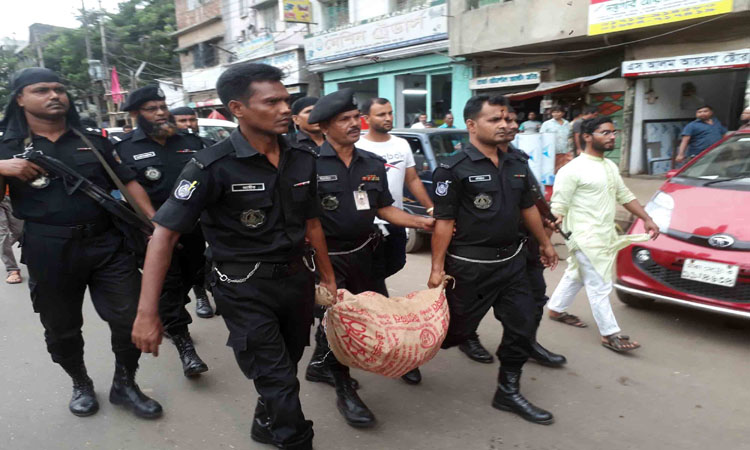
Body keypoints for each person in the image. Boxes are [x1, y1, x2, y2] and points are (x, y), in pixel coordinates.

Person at [131, 63, 335, 450]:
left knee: (288, 361)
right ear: (237, 108)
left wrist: (328, 277)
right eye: (271, 101)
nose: (284, 109)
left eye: (287, 100)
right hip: (243, 286)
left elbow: (312, 223)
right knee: (279, 378)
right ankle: (295, 439)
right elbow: (163, 235)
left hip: (295, 280)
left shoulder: (302, 156)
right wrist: (147, 312)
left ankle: (264, 421)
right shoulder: (210, 165)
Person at [0, 68, 162, 418]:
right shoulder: (7, 147)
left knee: (130, 318)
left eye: (59, 88)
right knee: (61, 329)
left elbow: (129, 182)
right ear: (20, 99)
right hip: (48, 246)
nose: (54, 95)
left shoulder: (93, 139)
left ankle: (125, 383)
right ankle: (80, 382)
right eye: (42, 90)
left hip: (107, 242)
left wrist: (153, 226)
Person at [307, 88, 434, 428]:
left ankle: (321, 364)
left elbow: (384, 207)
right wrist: (322, 272)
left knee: (374, 314)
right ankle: (344, 387)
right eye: (343, 120)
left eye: (354, 118)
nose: (353, 124)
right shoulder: (307, 165)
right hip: (326, 259)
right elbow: (304, 222)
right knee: (340, 322)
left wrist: (422, 221)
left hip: (365, 254)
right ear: (324, 127)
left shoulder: (372, 164)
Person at [429, 94, 559, 425]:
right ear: (471, 125)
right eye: (495, 120)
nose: (505, 125)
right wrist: (436, 269)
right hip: (469, 268)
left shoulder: (516, 162)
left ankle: (508, 390)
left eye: (508, 119)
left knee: (523, 323)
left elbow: (527, 207)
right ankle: (408, 356)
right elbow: (443, 221)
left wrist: (544, 243)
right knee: (453, 332)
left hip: (512, 262)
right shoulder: (453, 168)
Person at [115, 85, 209, 377]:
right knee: (168, 286)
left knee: (194, 278)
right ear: (135, 114)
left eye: (163, 106)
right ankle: (184, 344)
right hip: (155, 233)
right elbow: (128, 194)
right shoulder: (124, 149)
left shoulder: (192, 143)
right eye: (151, 109)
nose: (160, 113)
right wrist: (152, 225)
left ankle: (172, 315)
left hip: (196, 231)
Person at [547, 117, 660, 353]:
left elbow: (624, 194)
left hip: (604, 235)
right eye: (605, 132)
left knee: (576, 274)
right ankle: (610, 334)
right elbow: (557, 209)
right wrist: (544, 243)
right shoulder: (572, 170)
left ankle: (556, 309)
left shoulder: (609, 166)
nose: (612, 137)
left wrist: (647, 218)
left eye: (613, 132)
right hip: (585, 237)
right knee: (600, 284)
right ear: (587, 137)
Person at [357, 97, 435, 384]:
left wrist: (429, 208)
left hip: (397, 221)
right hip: (367, 227)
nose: (388, 118)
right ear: (367, 117)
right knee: (376, 287)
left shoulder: (401, 145)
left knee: (395, 263)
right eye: (381, 114)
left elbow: (412, 179)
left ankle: (366, 301)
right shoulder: (359, 147)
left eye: (390, 113)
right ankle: (394, 351)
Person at [169, 105, 214, 319]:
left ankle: (202, 295)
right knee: (176, 269)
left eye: (191, 120)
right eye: (182, 121)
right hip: (175, 215)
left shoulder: (207, 145)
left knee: (201, 260)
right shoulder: (167, 148)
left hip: (205, 217)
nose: (189, 125)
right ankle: (173, 314)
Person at [0, 186, 23, 284]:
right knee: (2, 234)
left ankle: (2, 248)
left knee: (19, 230)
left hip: (12, 195)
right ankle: (12, 269)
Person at [540, 106, 572, 173]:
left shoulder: (567, 124)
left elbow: (570, 136)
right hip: (552, 152)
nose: (555, 114)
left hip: (565, 152)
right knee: (553, 171)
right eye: (553, 112)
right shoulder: (546, 124)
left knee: (564, 171)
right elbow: (541, 137)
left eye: (558, 112)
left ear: (563, 113)